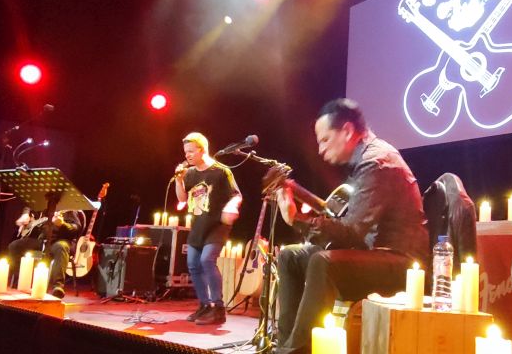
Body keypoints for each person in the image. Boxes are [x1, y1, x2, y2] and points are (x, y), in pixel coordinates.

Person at [274, 98, 429, 354]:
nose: (320, 149)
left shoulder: (377, 161)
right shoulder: (366, 161)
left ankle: (296, 351)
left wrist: (296, 219)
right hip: (375, 254)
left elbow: (351, 233)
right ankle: (284, 348)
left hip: (402, 262)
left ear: (346, 131)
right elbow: (349, 227)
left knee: (323, 262)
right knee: (291, 256)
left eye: (325, 139)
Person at [175, 132, 242, 325]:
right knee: (193, 264)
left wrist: (231, 206)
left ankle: (218, 309)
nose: (187, 155)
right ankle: (204, 306)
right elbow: (181, 198)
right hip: (198, 225)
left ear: (202, 150)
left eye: (190, 151)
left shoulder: (221, 171)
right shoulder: (190, 173)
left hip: (217, 226)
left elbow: (237, 195)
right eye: (185, 152)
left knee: (206, 260)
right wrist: (179, 180)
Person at [8, 207, 81, 299]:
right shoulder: (43, 205)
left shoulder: (68, 209)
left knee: (61, 247)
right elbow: (29, 206)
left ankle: (58, 286)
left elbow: (76, 228)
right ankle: (19, 282)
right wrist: (26, 214)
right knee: (14, 246)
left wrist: (62, 224)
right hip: (42, 241)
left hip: (59, 241)